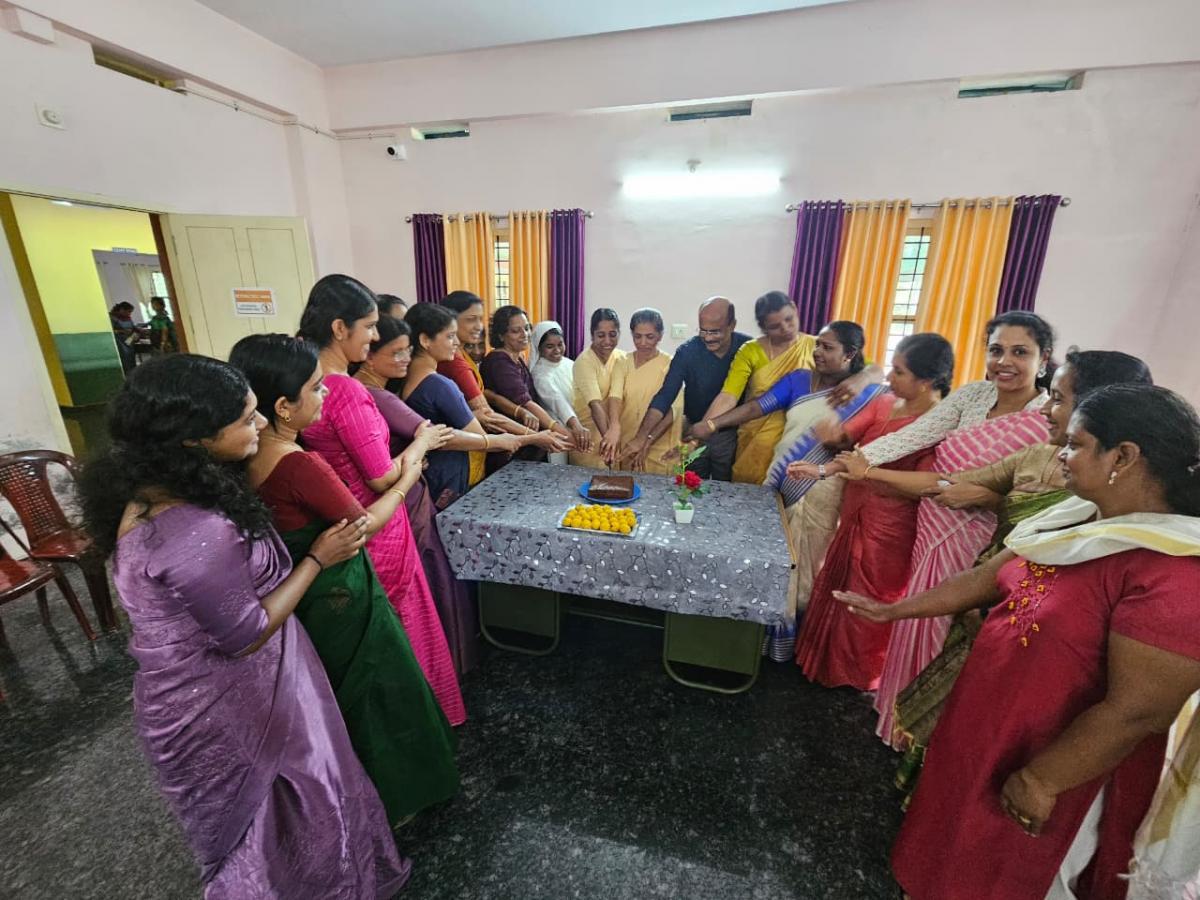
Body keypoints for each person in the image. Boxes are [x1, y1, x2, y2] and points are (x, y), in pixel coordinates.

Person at [838, 383, 1200, 900]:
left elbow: (1138, 711)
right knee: (952, 846)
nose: (1061, 455)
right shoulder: (1076, 517)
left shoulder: (1175, 571)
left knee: (1008, 871)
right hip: (994, 729)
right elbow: (991, 577)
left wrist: (1042, 781)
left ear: (1122, 457)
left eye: (1075, 444)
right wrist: (895, 609)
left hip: (1058, 760)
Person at [77, 353, 410, 898]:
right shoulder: (192, 530)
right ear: (194, 439)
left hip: (207, 686)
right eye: (245, 418)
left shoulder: (161, 491)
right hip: (229, 697)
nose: (259, 423)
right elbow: (246, 634)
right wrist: (317, 559)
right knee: (290, 803)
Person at [839, 350, 1153, 796]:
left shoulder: (1140, 538)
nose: (1044, 409)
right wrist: (867, 470)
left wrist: (1041, 782)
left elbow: (1136, 706)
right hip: (995, 620)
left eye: (1057, 398)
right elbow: (972, 526)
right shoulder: (1043, 462)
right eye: (995, 349)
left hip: (1055, 699)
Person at [796, 310, 1058, 744]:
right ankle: (896, 721)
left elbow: (1028, 499)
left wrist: (980, 496)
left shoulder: (1047, 420)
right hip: (932, 526)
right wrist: (835, 468)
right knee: (915, 620)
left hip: (979, 540)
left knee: (947, 630)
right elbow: (912, 437)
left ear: (1043, 359)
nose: (1004, 362)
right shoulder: (973, 396)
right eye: (996, 350)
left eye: (1020, 352)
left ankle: (929, 739)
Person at [232, 334, 460, 826]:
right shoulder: (297, 463)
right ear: (283, 407)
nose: (326, 395)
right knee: (380, 693)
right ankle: (397, 799)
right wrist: (408, 475)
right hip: (339, 594)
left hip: (303, 593)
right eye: (316, 388)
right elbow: (363, 524)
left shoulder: (247, 456)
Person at [297, 274, 466, 726]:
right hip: (379, 526)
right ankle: (419, 726)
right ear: (339, 328)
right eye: (370, 327)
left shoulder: (310, 383)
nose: (375, 336)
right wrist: (421, 445)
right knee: (402, 630)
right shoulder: (345, 389)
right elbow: (381, 476)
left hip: (340, 518)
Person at [693, 321, 886, 660]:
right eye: (818, 344)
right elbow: (757, 406)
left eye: (828, 347)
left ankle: (798, 644)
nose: (818, 352)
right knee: (771, 561)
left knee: (806, 569)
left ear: (850, 354)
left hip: (822, 489)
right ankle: (759, 637)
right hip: (780, 480)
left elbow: (867, 447)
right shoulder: (799, 380)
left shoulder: (867, 394)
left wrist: (842, 433)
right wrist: (712, 424)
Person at [793, 333, 954, 691]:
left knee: (871, 597)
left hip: (891, 525)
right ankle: (823, 664)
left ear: (926, 381)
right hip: (854, 508)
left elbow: (927, 485)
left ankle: (860, 676)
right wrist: (829, 444)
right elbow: (849, 444)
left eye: (899, 372)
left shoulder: (939, 425)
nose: (889, 377)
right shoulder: (885, 403)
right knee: (839, 582)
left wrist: (867, 474)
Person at [355, 312, 505, 673]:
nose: (404, 359)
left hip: (417, 486)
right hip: (409, 492)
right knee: (437, 571)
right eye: (397, 352)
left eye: (406, 351)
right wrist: (514, 440)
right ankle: (444, 657)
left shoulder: (393, 387)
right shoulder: (420, 387)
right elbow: (439, 436)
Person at [404, 302, 566, 497]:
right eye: (450, 336)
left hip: (430, 472)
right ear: (425, 340)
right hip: (447, 473)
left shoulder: (409, 379)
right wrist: (533, 437)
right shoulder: (439, 385)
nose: (456, 343)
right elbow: (480, 435)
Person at [693, 291, 817, 483]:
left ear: (794, 308)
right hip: (755, 441)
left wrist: (858, 379)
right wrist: (702, 431)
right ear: (764, 328)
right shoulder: (750, 350)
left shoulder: (817, 347)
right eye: (775, 326)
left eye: (789, 319)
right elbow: (728, 396)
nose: (785, 328)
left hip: (798, 440)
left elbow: (860, 369)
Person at [619, 297, 748, 480]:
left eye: (715, 332)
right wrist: (641, 437)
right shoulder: (687, 352)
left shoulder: (746, 349)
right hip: (692, 431)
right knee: (691, 486)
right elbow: (665, 396)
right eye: (703, 331)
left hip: (729, 435)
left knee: (727, 488)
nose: (708, 337)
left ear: (732, 325)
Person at [438, 291, 541, 483]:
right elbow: (487, 415)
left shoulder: (461, 356)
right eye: (471, 319)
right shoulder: (454, 362)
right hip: (462, 452)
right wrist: (535, 437)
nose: (479, 326)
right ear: (449, 320)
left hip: (476, 444)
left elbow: (480, 394)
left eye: (480, 319)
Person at [480, 305, 576, 452]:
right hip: (510, 443)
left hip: (527, 438)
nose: (524, 334)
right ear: (500, 335)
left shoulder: (517, 358)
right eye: (515, 331)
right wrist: (563, 433)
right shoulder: (499, 362)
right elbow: (525, 402)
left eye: (526, 328)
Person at [602, 308, 681, 475]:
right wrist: (614, 426)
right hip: (628, 442)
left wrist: (646, 441)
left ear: (660, 336)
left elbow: (674, 410)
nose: (643, 342)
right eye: (637, 336)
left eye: (649, 337)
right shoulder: (623, 362)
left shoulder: (670, 364)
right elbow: (615, 396)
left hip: (658, 444)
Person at [570, 308, 625, 468]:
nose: (607, 341)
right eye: (601, 335)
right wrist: (609, 445)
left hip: (615, 437)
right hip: (590, 442)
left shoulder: (621, 358)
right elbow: (595, 405)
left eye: (612, 334)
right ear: (592, 335)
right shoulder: (584, 362)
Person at [529, 320, 591, 451]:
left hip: (581, 427)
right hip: (559, 432)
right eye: (550, 346)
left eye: (560, 344)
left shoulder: (569, 363)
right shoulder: (539, 373)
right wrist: (576, 426)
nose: (557, 350)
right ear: (539, 347)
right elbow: (557, 401)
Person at [109, 301, 141, 373]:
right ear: (122, 310)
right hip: (120, 342)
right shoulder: (112, 318)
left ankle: (133, 374)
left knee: (131, 358)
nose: (129, 314)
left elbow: (132, 327)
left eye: (130, 312)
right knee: (125, 359)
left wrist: (138, 330)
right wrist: (122, 331)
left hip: (129, 341)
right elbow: (111, 331)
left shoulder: (127, 317)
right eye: (128, 312)